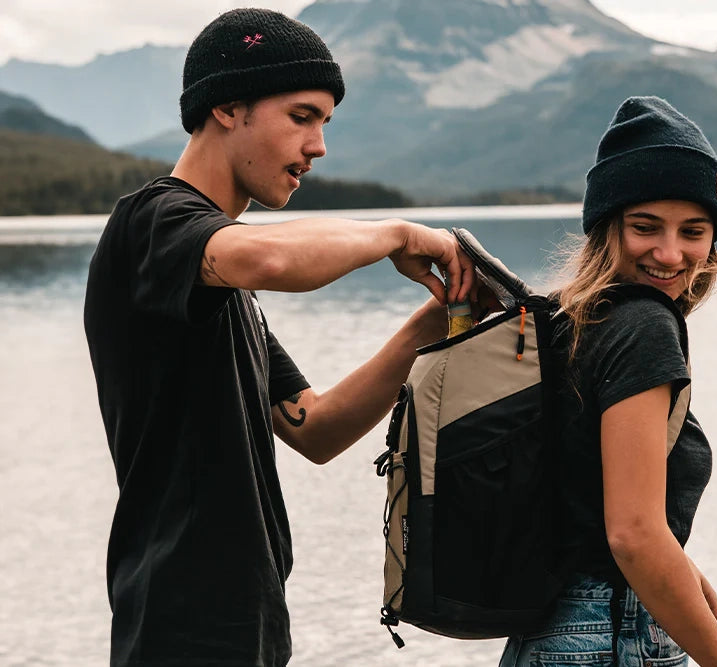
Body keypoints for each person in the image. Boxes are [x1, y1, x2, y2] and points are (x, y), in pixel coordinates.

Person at [83, 8, 473, 666]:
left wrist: (435, 321)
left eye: (324, 123)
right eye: (302, 116)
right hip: (179, 629)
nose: (319, 146)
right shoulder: (154, 223)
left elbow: (315, 427)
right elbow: (269, 260)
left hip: (249, 628)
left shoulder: (221, 287)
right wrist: (399, 235)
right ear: (228, 107)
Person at [498, 96, 717, 666]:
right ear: (607, 227)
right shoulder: (643, 325)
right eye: (645, 227)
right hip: (613, 633)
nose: (670, 252)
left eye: (694, 230)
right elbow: (632, 533)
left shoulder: (567, 319)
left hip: (550, 632)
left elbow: (582, 495)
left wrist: (680, 569)